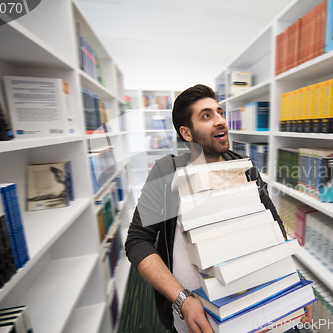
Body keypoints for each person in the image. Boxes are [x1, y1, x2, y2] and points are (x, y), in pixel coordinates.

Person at [125, 84, 312, 333]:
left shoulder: (244, 167)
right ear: (187, 133)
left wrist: (293, 284)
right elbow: (138, 241)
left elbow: (273, 228)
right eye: (207, 115)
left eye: (220, 112)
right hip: (199, 314)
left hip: (253, 302)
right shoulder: (168, 172)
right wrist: (182, 300)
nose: (220, 121)